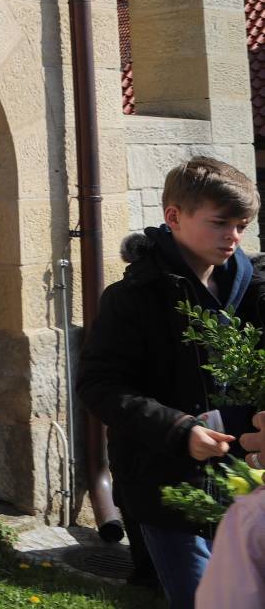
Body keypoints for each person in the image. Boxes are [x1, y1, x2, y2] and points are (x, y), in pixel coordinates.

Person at [78, 156, 263, 609]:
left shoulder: (257, 289)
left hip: (248, 477)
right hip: (163, 484)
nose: (233, 237)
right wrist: (179, 430)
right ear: (174, 217)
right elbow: (101, 384)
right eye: (220, 223)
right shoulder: (132, 299)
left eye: (241, 225)